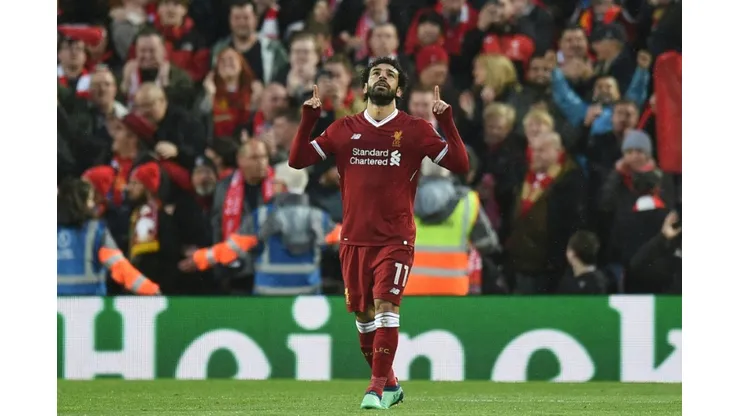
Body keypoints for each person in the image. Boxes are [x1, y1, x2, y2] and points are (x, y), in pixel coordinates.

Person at [288, 57, 469, 409]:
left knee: (387, 305)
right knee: (364, 315)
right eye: (376, 74)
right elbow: (298, 160)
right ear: (365, 86)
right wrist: (309, 119)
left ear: (399, 90)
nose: (382, 77)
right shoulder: (344, 128)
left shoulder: (415, 129)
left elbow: (460, 164)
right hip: (353, 239)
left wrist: (446, 121)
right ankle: (392, 385)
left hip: (395, 239)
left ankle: (375, 389)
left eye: (390, 75)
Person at [57, 178, 160, 296]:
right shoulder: (96, 231)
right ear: (81, 204)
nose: (93, 204)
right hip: (90, 303)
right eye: (90, 200)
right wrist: (152, 290)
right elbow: (120, 268)